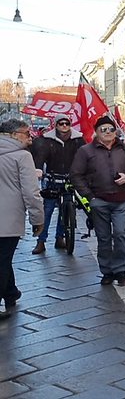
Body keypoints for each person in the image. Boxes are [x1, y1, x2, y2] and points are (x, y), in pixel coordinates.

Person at [70, 115, 125, 285]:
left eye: (111, 129)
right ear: (96, 132)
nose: (108, 132)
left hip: (122, 199)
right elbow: (76, 175)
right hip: (99, 200)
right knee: (103, 238)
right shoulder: (86, 150)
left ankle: (120, 271)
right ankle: (107, 272)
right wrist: (90, 197)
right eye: (104, 129)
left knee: (119, 234)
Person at [0, 119, 44, 320]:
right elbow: (31, 192)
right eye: (27, 133)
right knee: (2, 260)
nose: (31, 137)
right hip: (8, 219)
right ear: (14, 135)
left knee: (3, 257)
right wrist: (38, 220)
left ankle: (11, 293)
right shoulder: (21, 156)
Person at [30, 115, 84, 254]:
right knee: (47, 211)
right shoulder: (47, 140)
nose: (64, 125)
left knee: (65, 210)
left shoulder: (78, 139)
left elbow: (85, 156)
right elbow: (41, 155)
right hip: (53, 179)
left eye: (67, 123)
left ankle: (61, 237)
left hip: (70, 180)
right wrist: (38, 169)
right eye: (61, 123)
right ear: (56, 125)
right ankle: (41, 241)